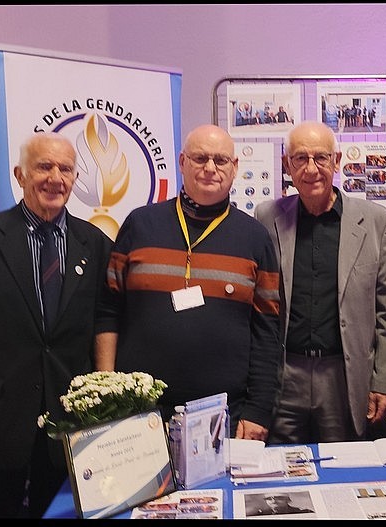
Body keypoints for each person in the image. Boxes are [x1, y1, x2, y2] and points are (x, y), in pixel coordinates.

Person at [0, 132, 113, 518]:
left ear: (75, 178)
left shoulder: (95, 244)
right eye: (44, 167)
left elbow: (101, 321)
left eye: (65, 169)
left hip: (68, 422)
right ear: (20, 174)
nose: (55, 178)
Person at [94, 124, 283, 441]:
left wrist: (258, 410)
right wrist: (108, 389)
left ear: (235, 167)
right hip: (137, 410)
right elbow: (108, 310)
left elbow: (267, 331)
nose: (210, 168)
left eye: (220, 160)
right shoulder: (139, 225)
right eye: (200, 158)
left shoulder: (255, 237)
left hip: (224, 413)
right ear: (182, 162)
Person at [254, 121, 386, 443]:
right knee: (281, 464)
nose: (311, 169)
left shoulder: (377, 223)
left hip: (344, 374)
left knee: (343, 464)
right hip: (285, 374)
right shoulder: (266, 217)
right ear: (287, 165)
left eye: (321, 157)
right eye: (300, 158)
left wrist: (383, 382)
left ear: (337, 161)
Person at [248, 493, 313, 516]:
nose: (273, 501)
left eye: (278, 498)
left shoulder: (305, 512)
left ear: (287, 499)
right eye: (269, 498)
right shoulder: (259, 514)